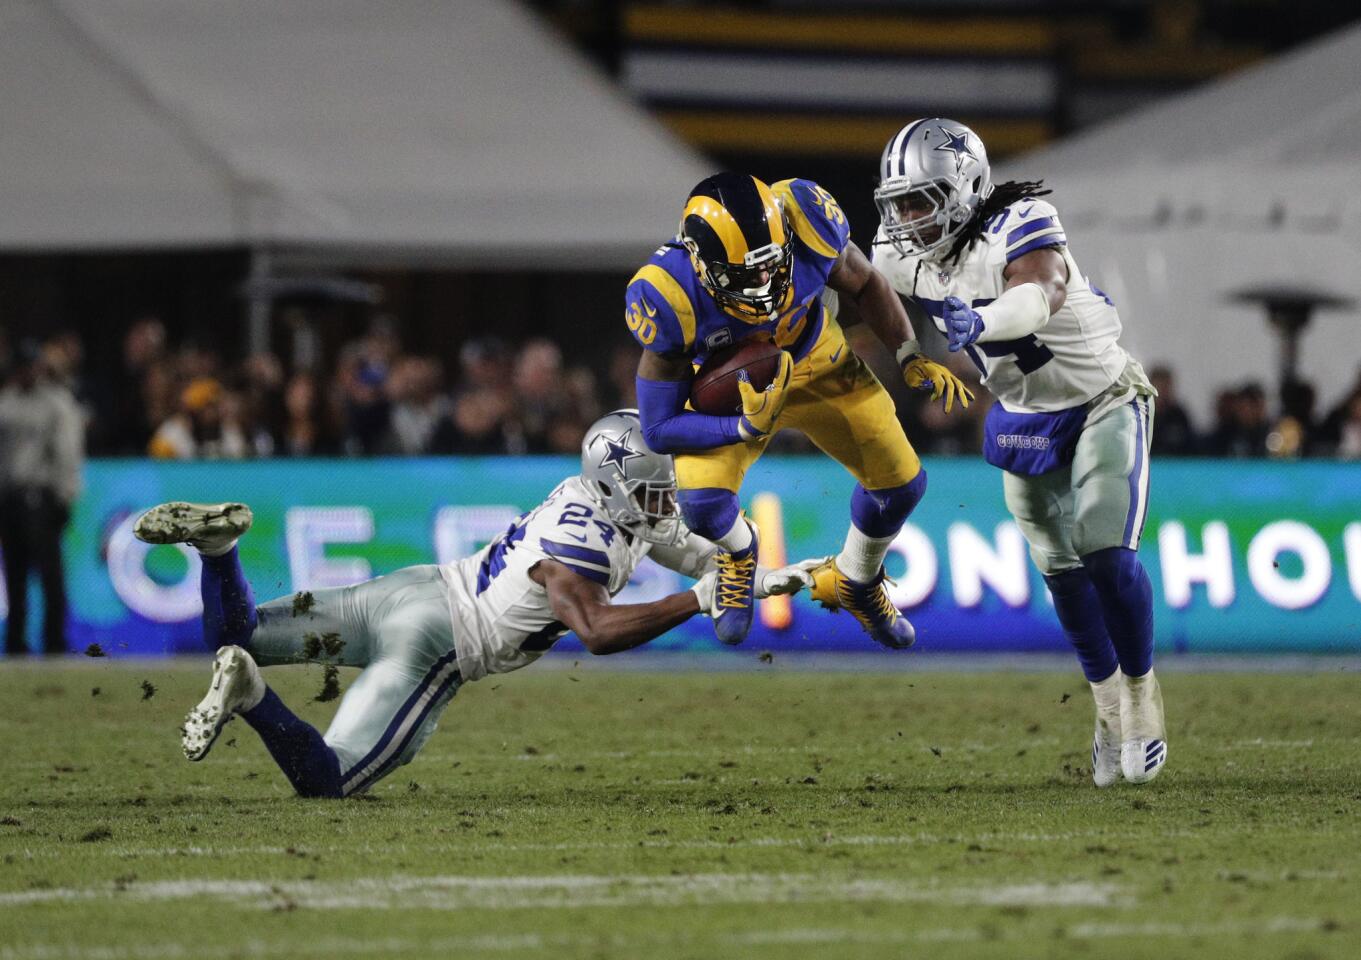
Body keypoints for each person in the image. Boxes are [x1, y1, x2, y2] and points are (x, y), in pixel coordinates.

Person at [133, 411, 814, 798]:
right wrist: (695, 602)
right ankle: (252, 696)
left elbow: (688, 542)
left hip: (413, 589)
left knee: (239, 630)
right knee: (327, 780)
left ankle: (220, 551)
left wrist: (756, 571)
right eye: (658, 487)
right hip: (437, 643)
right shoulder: (591, 552)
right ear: (619, 491)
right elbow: (599, 633)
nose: (671, 497)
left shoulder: (591, 496)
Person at [871, 118, 1165, 786]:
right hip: (1024, 416)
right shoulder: (899, 252)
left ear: (965, 187)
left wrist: (980, 320)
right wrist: (906, 350)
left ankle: (1143, 694)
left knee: (1105, 551)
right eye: (899, 203)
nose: (908, 218)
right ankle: (1106, 704)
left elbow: (1040, 292)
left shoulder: (1022, 219)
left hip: (1101, 400)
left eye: (921, 200)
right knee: (1060, 571)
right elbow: (858, 284)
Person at [628, 173, 972, 649]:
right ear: (702, 264)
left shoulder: (806, 217)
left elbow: (867, 282)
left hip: (818, 358)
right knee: (701, 506)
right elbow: (660, 426)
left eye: (772, 264)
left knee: (901, 485)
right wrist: (743, 424)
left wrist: (908, 352)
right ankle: (739, 554)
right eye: (747, 275)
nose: (765, 282)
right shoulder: (669, 295)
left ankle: (856, 576)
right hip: (735, 392)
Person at [0, 340, 85, 655]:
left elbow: (67, 452)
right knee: (15, 575)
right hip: (10, 498)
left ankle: (54, 641)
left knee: (50, 575)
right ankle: (16, 642)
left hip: (42, 496)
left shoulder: (56, 403)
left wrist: (66, 494)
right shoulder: (6, 402)